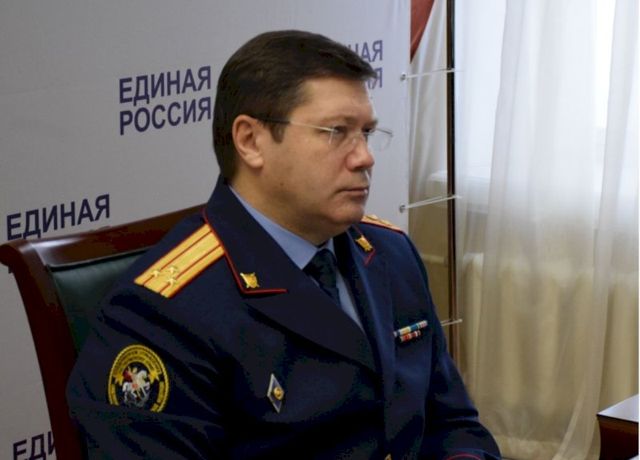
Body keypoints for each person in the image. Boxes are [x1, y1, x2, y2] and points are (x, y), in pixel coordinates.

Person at [67, 30, 501, 459]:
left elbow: (452, 424)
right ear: (250, 141)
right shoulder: (162, 313)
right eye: (336, 132)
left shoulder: (389, 252)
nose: (364, 157)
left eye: (366, 133)